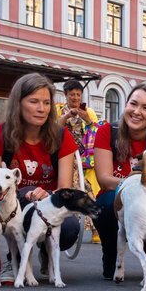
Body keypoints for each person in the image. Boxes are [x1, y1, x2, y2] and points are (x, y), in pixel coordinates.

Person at [0, 73, 80, 279]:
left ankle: (45, 250)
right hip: (11, 204)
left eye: (46, 102)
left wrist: (48, 195)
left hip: (46, 202)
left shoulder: (62, 137)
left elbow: (64, 190)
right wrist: (14, 189)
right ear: (18, 103)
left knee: (70, 227)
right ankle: (13, 259)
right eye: (34, 101)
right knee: (23, 194)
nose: (42, 109)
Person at [93, 83, 146, 280]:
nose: (137, 112)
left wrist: (145, 182)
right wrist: (137, 181)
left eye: (145, 108)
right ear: (126, 105)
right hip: (115, 195)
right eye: (133, 104)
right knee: (106, 206)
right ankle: (112, 255)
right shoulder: (107, 131)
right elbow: (105, 180)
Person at [56, 79, 102, 243]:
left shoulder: (88, 111)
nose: (75, 98)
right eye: (72, 95)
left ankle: (97, 229)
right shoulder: (59, 110)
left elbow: (97, 131)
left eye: (78, 94)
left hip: (83, 160)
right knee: (69, 190)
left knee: (89, 190)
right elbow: (54, 128)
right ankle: (65, 226)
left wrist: (86, 119)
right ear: (65, 95)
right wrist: (67, 116)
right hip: (64, 157)